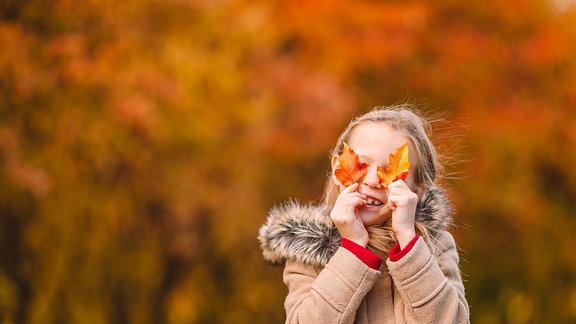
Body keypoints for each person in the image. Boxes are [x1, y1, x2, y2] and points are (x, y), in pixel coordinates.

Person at [258, 104, 470, 323]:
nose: (372, 181)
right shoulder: (307, 251)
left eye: (389, 170)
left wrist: (408, 240)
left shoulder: (433, 246)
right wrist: (353, 248)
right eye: (361, 164)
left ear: (417, 190)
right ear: (337, 168)